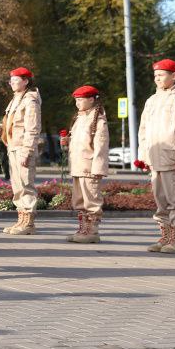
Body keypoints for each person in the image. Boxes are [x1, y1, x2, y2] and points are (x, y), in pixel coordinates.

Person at [138, 58, 175, 254]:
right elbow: (143, 130)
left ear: (174, 76)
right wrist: (143, 156)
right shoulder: (152, 100)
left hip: (173, 158)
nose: (157, 79)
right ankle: (164, 236)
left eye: (161, 75)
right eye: (155, 75)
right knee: (160, 201)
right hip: (155, 158)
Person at [0, 67, 42, 235]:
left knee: (26, 184)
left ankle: (28, 222)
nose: (12, 84)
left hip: (23, 147)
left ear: (26, 81)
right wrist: (0, 128)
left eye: (15, 80)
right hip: (13, 146)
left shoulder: (30, 100)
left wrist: (28, 151)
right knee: (17, 186)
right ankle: (21, 219)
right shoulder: (16, 99)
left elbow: (32, 128)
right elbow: (14, 124)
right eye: (11, 81)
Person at [62, 86, 109, 243]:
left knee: (91, 200)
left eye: (80, 99)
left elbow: (101, 146)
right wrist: (67, 142)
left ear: (91, 100)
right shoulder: (79, 118)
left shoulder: (98, 120)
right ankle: (83, 229)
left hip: (90, 168)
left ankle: (92, 231)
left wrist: (98, 168)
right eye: (76, 99)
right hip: (77, 167)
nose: (77, 103)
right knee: (79, 200)